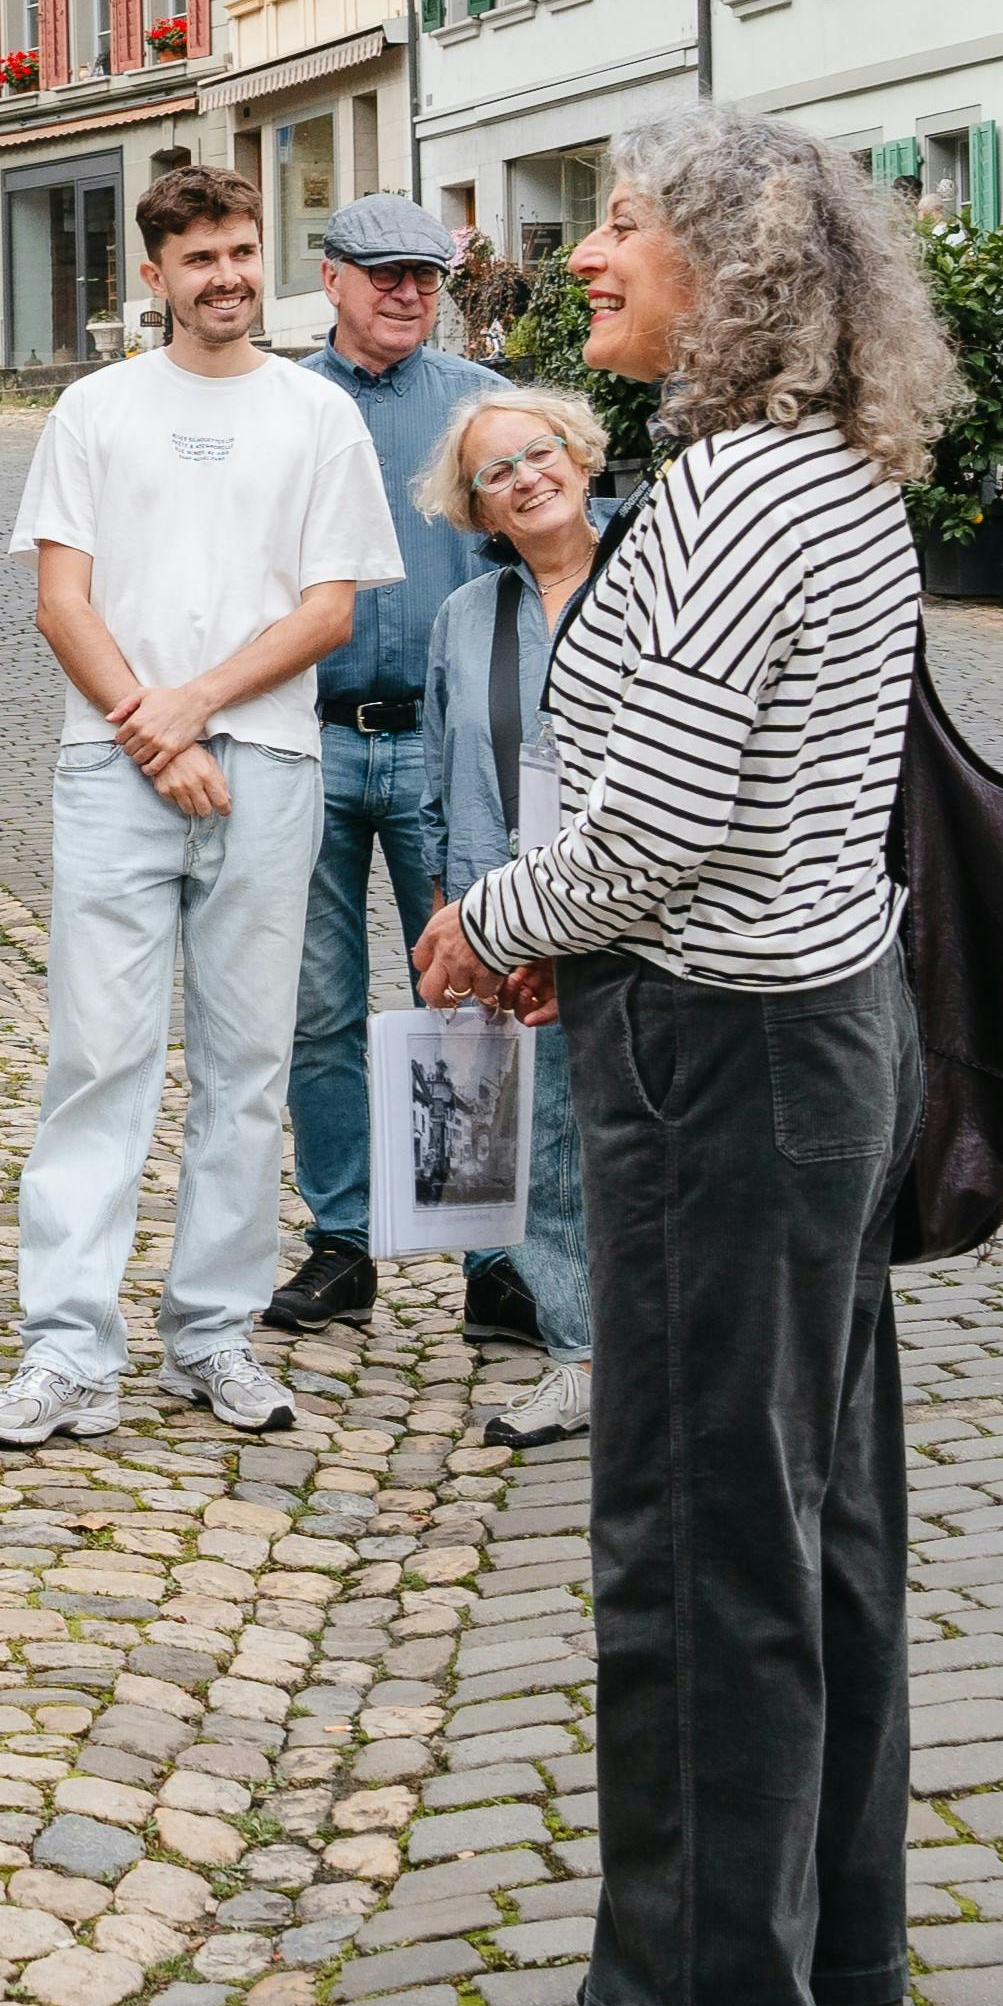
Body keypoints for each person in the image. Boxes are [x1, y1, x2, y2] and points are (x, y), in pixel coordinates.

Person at [413, 111, 944, 2006]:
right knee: (822, 1505)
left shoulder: (726, 502)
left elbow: (658, 826)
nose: (590, 251)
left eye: (626, 222)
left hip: (720, 1049)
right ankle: (831, 1941)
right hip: (824, 1021)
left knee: (701, 1521)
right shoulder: (841, 484)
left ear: (729, 275)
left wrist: (495, 921)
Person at [0, 166, 409, 1452]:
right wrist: (155, 737)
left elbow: (330, 606)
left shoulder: (313, 417)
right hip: (113, 767)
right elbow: (63, 599)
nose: (222, 277)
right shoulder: (97, 409)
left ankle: (212, 1332)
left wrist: (196, 707)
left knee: (248, 1064)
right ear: (149, 276)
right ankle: (67, 1351)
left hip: (265, 762)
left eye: (239, 252)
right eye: (197, 257)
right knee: (97, 1058)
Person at [274, 194, 512, 1348]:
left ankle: (491, 1254)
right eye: (383, 275)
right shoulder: (281, 404)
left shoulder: (479, 408)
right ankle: (342, 1240)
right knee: (318, 1006)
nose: (408, 292)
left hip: (439, 739)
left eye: (424, 273)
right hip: (308, 734)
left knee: (466, 990)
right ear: (330, 280)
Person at [422, 385, 618, 1457]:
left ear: (581, 459)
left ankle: (671, 1347)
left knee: (641, 1132)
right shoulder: (464, 619)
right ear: (479, 509)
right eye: (496, 472)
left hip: (634, 898)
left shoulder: (650, 581)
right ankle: (578, 1354)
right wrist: (456, 915)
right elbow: (440, 785)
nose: (525, 478)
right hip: (506, 909)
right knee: (535, 1142)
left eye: (538, 453)